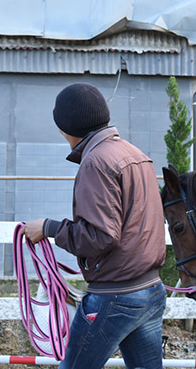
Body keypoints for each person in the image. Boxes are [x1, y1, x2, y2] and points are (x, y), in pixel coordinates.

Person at [23, 83, 167, 369]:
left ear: (63, 127)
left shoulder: (96, 162)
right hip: (150, 290)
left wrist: (48, 228)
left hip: (115, 297)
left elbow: (99, 237)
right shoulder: (135, 154)